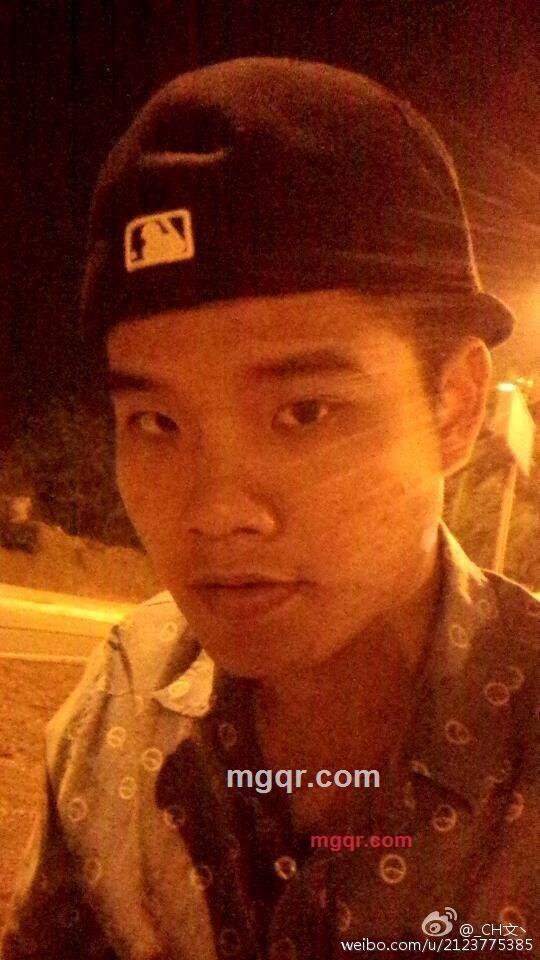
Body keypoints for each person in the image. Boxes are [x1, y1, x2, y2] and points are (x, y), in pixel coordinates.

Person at [2, 58, 537, 960]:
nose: (216, 512)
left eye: (306, 412)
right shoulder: (119, 701)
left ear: (454, 407)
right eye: (157, 422)